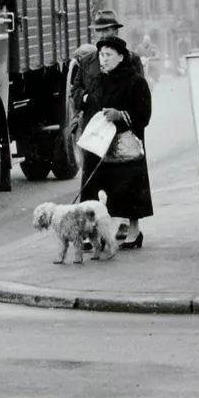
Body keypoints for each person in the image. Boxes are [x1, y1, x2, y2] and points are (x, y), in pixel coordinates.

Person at [76, 34, 154, 248]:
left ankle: (134, 232)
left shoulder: (135, 81)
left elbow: (144, 114)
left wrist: (120, 115)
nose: (104, 59)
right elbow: (91, 106)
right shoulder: (99, 80)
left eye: (109, 55)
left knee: (129, 187)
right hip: (101, 144)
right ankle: (90, 233)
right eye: (101, 55)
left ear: (121, 57)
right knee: (92, 186)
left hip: (125, 142)